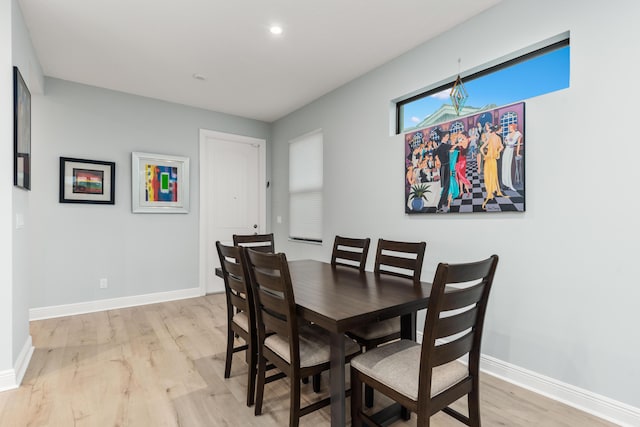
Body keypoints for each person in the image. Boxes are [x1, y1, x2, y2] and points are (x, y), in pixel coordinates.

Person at [479, 123, 507, 210]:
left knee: (488, 176)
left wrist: (485, 155)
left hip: (488, 159)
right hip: (494, 159)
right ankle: (494, 190)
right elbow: (502, 147)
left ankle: (490, 193)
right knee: (494, 175)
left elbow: (481, 148)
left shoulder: (490, 138)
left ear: (491, 132)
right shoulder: (498, 138)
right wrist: (497, 152)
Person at [434, 130, 453, 212]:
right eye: (447, 137)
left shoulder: (439, 147)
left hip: (443, 167)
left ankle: (444, 202)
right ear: (444, 137)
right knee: (446, 186)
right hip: (445, 167)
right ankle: (440, 204)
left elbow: (435, 154)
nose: (448, 138)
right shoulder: (444, 146)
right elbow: (453, 147)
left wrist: (437, 159)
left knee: (445, 186)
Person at [502, 123, 522, 191]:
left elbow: (518, 144)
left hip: (511, 150)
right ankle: (505, 183)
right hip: (506, 150)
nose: (509, 128)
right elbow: (505, 142)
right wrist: (505, 141)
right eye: (509, 127)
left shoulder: (518, 134)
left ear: (513, 127)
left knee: (508, 166)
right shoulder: (508, 134)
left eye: (510, 127)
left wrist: (517, 153)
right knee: (504, 166)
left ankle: (509, 184)